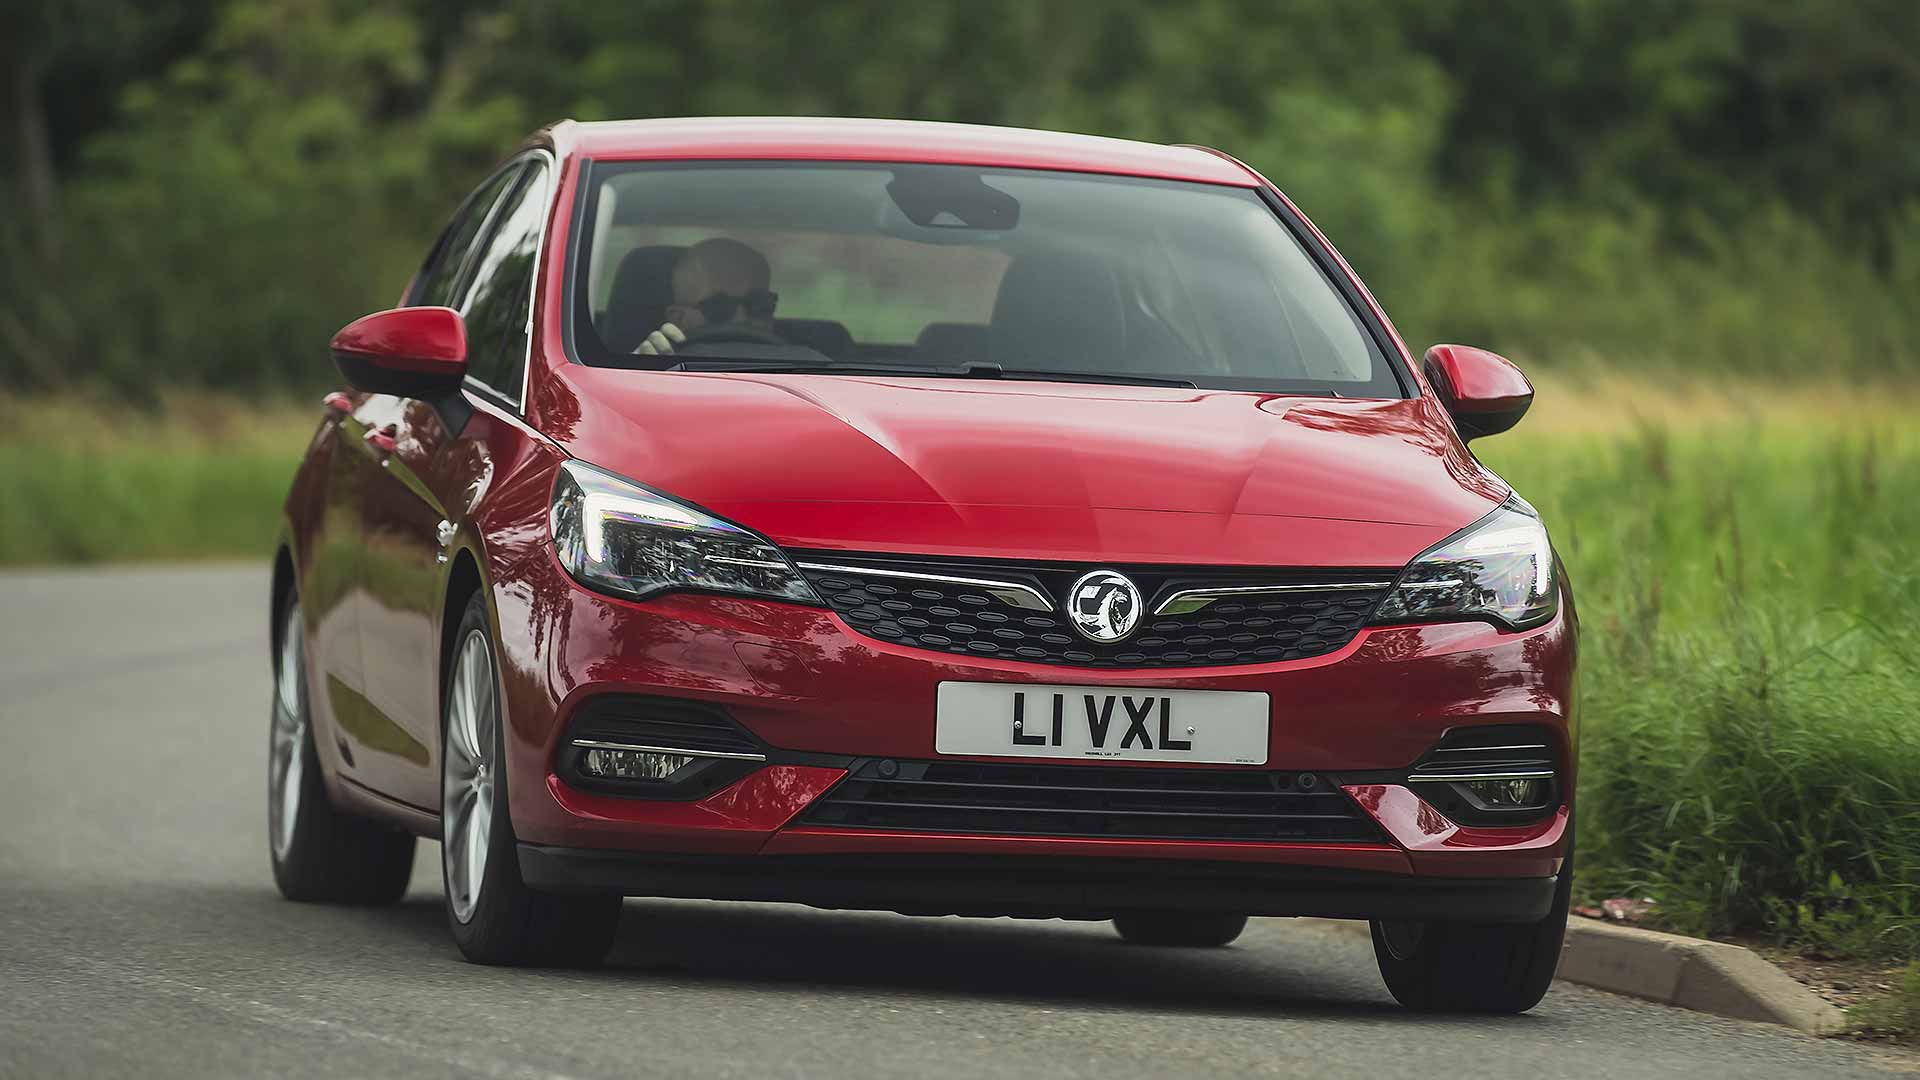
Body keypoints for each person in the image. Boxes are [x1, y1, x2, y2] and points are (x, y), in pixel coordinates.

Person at [634, 237, 779, 354]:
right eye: (720, 305)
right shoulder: (655, 371)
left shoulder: (792, 366)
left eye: (759, 304)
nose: (742, 318)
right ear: (678, 318)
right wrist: (642, 366)